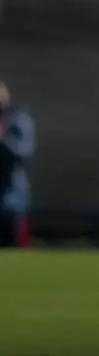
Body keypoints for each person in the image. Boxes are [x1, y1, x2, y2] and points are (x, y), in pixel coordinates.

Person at [0, 80, 35, 248]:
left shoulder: (18, 120)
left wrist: (3, 139)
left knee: (12, 246)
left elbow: (23, 152)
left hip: (11, 197)